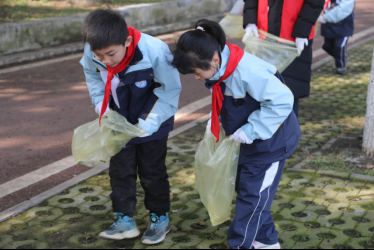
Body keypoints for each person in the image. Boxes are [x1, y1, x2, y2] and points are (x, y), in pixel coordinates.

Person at [170, 19, 301, 249]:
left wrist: (253, 129)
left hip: (271, 144)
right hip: (248, 142)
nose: (197, 78)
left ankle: (239, 244)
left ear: (215, 59)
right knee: (248, 192)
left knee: (252, 199)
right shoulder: (220, 68)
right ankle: (267, 241)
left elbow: (283, 100)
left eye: (196, 72)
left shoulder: (246, 71)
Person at [79, 8, 182, 245]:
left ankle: (159, 218)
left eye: (110, 54)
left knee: (152, 172)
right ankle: (124, 220)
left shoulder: (154, 50)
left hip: (152, 123)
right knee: (120, 172)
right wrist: (100, 106)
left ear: (126, 41)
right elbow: (92, 75)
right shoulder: (93, 50)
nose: (105, 60)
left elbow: (169, 91)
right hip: (118, 123)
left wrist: (149, 123)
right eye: (99, 55)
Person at [243, 0, 325, 117]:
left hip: (294, 36)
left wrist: (302, 28)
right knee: (260, 91)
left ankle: (287, 133)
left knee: (290, 91)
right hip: (264, 33)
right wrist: (250, 19)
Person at [319, 0, 355, 75]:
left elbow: (343, 9)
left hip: (343, 26)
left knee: (339, 46)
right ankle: (339, 58)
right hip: (329, 26)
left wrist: (325, 17)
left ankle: (341, 66)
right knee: (326, 46)